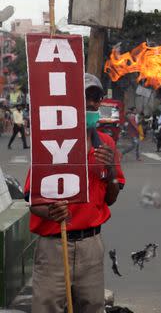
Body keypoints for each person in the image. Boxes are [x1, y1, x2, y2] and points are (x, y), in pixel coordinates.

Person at [26, 73, 125, 312]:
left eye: (96, 98)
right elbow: (32, 198)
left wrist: (111, 169)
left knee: (91, 306)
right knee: (47, 307)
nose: (91, 103)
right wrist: (51, 211)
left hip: (91, 246)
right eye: (85, 97)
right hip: (54, 247)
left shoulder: (106, 144)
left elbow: (111, 198)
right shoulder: (50, 142)